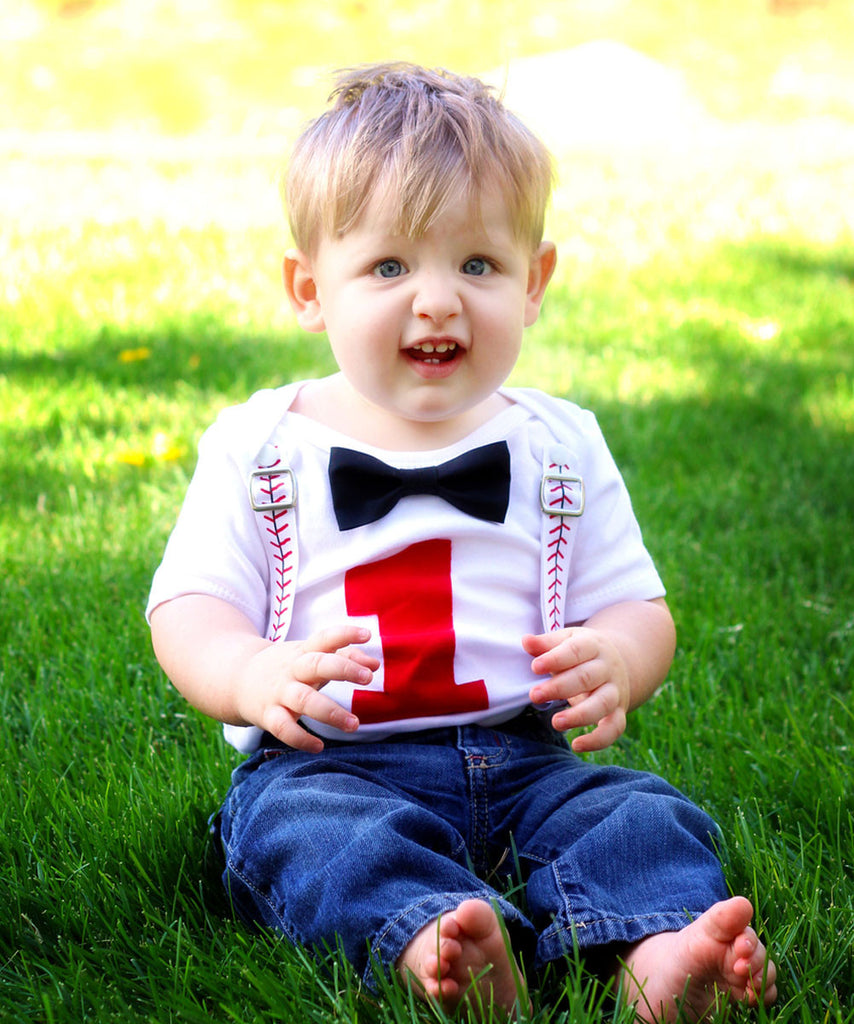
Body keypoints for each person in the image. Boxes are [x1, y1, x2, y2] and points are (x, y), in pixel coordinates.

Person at [147, 62, 777, 1022]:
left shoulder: (560, 445)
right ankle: (438, 943)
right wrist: (249, 676)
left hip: (528, 762)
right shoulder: (261, 446)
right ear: (309, 289)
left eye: (477, 265)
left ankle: (659, 955)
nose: (437, 301)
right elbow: (189, 606)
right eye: (390, 267)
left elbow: (636, 606)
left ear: (536, 282)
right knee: (305, 833)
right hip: (334, 762)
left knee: (637, 813)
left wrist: (617, 657)